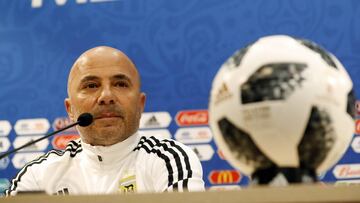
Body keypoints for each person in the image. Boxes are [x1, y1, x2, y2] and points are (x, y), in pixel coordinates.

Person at [6, 46, 205, 195]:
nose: (106, 96)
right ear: (71, 110)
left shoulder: (170, 160)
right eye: (92, 85)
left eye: (120, 84)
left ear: (140, 104)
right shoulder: (38, 174)